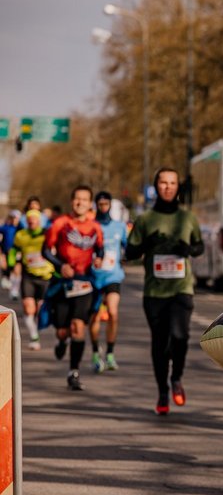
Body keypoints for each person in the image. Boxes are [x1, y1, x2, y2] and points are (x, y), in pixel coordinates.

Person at [125, 168, 204, 415]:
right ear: (156, 186)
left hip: (181, 288)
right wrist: (149, 243)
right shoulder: (145, 219)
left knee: (180, 337)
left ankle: (176, 378)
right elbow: (130, 254)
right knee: (160, 343)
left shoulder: (187, 218)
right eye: (163, 182)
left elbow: (199, 246)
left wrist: (187, 250)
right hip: (154, 292)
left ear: (178, 187)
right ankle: (162, 391)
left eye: (172, 183)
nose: (168, 187)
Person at [42, 186, 104, 391]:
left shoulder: (95, 227)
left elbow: (99, 248)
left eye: (84, 199)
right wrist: (61, 266)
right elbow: (45, 250)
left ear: (89, 204)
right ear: (72, 201)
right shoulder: (60, 223)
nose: (80, 203)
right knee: (62, 331)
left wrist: (99, 260)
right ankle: (61, 342)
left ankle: (73, 372)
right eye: (77, 199)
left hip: (84, 283)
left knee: (78, 327)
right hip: (62, 282)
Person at [89, 191, 127, 373]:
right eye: (100, 204)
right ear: (96, 205)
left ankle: (110, 353)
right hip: (94, 277)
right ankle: (96, 352)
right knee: (95, 316)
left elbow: (128, 247)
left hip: (113, 276)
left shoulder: (119, 227)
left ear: (110, 205)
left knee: (113, 313)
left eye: (106, 204)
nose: (103, 207)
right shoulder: (90, 226)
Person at [8, 209, 54, 350]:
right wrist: (11, 263)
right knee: (29, 308)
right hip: (28, 275)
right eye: (29, 219)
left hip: (45, 276)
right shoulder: (21, 235)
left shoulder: (46, 234)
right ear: (26, 221)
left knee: (40, 308)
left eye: (34, 219)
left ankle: (45, 328)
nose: (32, 221)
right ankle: (34, 336)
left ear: (39, 221)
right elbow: (14, 250)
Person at [1, 210, 22, 301]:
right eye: (13, 218)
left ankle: (15, 290)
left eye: (16, 218)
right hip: (7, 253)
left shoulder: (21, 228)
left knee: (17, 270)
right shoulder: (6, 228)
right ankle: (7, 279)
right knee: (8, 269)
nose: (15, 220)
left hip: (17, 252)